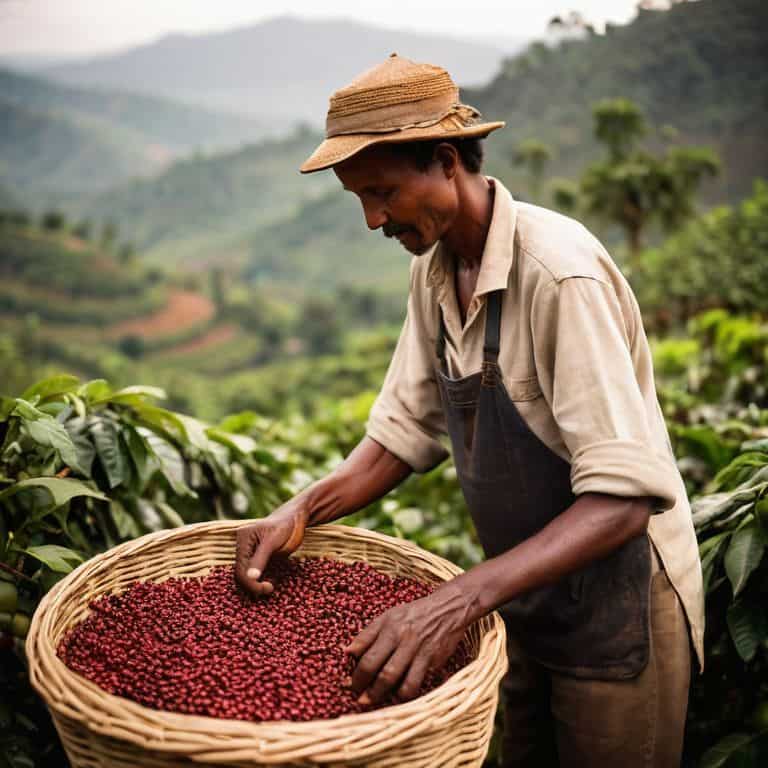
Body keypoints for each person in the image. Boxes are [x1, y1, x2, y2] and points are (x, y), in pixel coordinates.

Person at [234, 53, 704, 767]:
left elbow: (623, 502)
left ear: (447, 162)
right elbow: (401, 434)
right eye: (359, 198)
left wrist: (454, 601)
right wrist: (297, 513)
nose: (372, 219)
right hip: (522, 598)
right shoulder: (434, 270)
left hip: (617, 607)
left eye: (383, 192)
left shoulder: (557, 275)